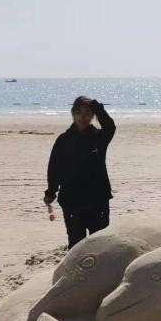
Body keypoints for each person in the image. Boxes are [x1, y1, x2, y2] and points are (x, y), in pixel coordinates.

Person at [43, 96, 116, 248]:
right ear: (73, 113)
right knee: (76, 244)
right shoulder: (64, 139)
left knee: (100, 243)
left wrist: (98, 108)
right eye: (79, 112)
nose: (83, 116)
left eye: (88, 113)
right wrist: (51, 191)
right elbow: (55, 167)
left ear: (93, 115)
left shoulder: (99, 137)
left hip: (98, 199)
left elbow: (110, 127)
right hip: (72, 200)